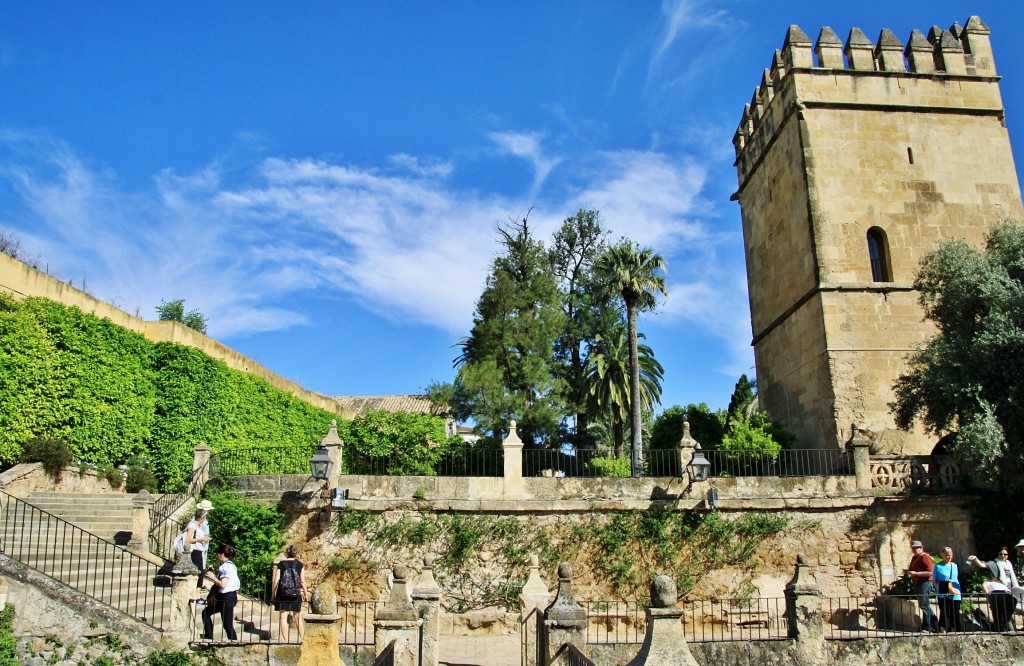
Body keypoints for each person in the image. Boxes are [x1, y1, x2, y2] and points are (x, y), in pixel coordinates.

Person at [202, 544, 240, 641]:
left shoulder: (225, 567)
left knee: (227, 624)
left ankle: (234, 642)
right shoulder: (230, 565)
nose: (216, 556)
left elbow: (223, 584)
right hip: (229, 596)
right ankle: (208, 637)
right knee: (206, 612)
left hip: (227, 597)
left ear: (222, 554)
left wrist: (213, 577)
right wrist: (215, 569)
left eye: (217, 554)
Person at [271, 544, 308, 641]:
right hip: (295, 594)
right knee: (297, 617)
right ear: (296, 553)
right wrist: (305, 593)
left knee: (283, 618)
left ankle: (286, 640)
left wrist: (273, 595)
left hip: (282, 594)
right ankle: (302, 639)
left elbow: (276, 581)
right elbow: (302, 581)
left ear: (287, 553)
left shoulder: (281, 564)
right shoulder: (299, 565)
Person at [908, 540, 938, 632]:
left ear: (921, 548)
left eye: (916, 548)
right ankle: (935, 624)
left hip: (925, 583)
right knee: (923, 605)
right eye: (913, 548)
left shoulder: (925, 557)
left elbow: (930, 572)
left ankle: (927, 626)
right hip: (918, 583)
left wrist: (916, 573)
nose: (914, 550)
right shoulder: (915, 558)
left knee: (924, 605)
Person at [980, 561, 1018, 632]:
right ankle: (1013, 635)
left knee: (997, 618)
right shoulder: (1003, 585)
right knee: (1007, 619)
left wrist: (989, 596)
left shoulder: (988, 582)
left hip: (996, 595)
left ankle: (999, 634)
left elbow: (985, 588)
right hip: (1011, 597)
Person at [186, 500, 214, 594]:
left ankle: (197, 591)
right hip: (197, 549)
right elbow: (190, 537)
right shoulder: (195, 522)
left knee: (201, 570)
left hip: (201, 547)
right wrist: (202, 539)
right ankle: (195, 592)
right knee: (199, 571)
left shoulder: (202, 520)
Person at [932, 546, 962, 633]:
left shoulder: (955, 566)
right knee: (945, 612)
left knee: (955, 612)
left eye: (950, 555)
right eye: (947, 555)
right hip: (943, 591)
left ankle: (954, 630)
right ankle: (943, 630)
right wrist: (938, 588)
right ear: (942, 555)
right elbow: (934, 579)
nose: (949, 557)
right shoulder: (938, 566)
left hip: (955, 591)